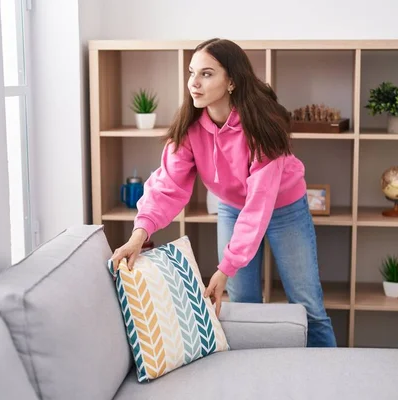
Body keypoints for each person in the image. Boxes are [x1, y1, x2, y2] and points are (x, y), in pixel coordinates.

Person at [110, 38, 337, 348]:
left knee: (307, 305)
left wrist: (225, 268)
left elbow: (259, 204)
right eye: (192, 73)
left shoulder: (263, 126)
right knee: (243, 304)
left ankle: (330, 379)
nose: (194, 83)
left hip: (284, 208)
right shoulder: (190, 128)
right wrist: (139, 235)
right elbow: (168, 185)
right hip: (232, 206)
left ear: (231, 81)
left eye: (207, 74)